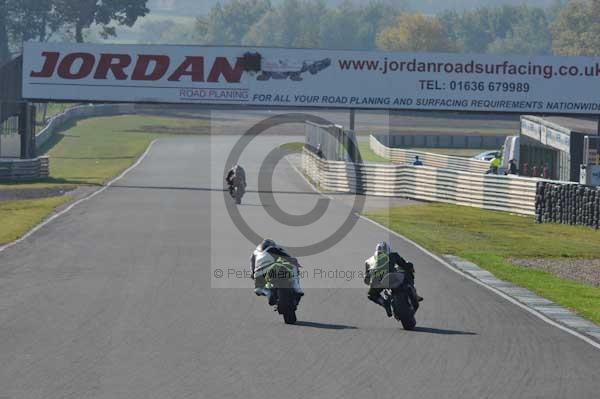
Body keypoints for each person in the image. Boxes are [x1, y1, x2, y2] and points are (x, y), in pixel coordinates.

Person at [363, 242, 422, 318]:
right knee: (408, 269)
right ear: (388, 249)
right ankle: (414, 293)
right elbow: (404, 265)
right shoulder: (393, 255)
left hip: (377, 281)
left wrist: (372, 282)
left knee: (371, 295)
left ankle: (384, 303)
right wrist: (410, 267)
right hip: (392, 277)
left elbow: (366, 279)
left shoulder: (368, 261)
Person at [251, 239, 304, 305]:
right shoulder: (273, 248)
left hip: (260, 272)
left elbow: (253, 266)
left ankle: (268, 293)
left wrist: (253, 274)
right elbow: (288, 256)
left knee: (258, 289)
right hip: (272, 269)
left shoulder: (255, 253)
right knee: (293, 266)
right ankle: (297, 287)